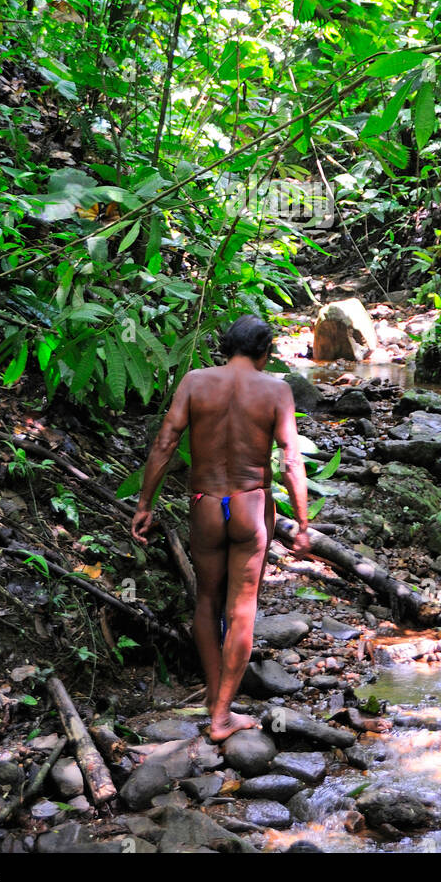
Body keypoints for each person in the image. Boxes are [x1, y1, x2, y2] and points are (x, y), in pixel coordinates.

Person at [131, 314, 310, 742]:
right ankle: (222, 716)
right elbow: (290, 459)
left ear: (225, 348)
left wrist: (144, 503)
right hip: (250, 506)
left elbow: (165, 442)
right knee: (242, 607)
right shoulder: (277, 389)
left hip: (206, 504)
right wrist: (302, 522)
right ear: (266, 352)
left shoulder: (195, 381)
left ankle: (216, 697)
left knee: (207, 599)